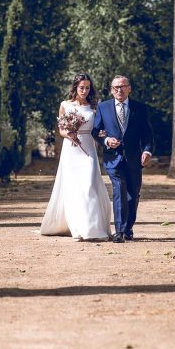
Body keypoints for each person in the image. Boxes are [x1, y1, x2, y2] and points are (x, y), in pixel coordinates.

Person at [40, 74, 112, 240]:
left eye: (87, 88)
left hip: (88, 147)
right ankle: (79, 227)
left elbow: (98, 128)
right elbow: (61, 130)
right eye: (81, 87)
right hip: (71, 149)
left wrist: (102, 133)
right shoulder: (65, 105)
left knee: (89, 185)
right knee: (73, 188)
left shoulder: (94, 106)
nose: (84, 91)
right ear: (75, 87)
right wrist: (69, 135)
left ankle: (92, 228)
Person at [92, 75, 153, 243]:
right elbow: (95, 132)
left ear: (129, 88)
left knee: (133, 195)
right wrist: (106, 141)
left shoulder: (140, 108)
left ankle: (128, 228)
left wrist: (147, 151)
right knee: (119, 189)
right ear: (112, 90)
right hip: (113, 158)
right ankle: (119, 231)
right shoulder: (103, 107)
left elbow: (147, 134)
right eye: (116, 87)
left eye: (122, 86)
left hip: (134, 159)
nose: (119, 90)